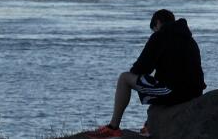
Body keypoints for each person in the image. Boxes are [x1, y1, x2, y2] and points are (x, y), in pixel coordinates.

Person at [86, 9, 206, 138]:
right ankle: (149, 125)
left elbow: (141, 68)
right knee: (156, 85)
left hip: (175, 91)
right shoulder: (190, 40)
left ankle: (113, 127)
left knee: (124, 78)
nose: (154, 32)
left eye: (154, 29)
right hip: (195, 93)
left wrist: (136, 73)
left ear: (158, 23)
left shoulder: (160, 36)